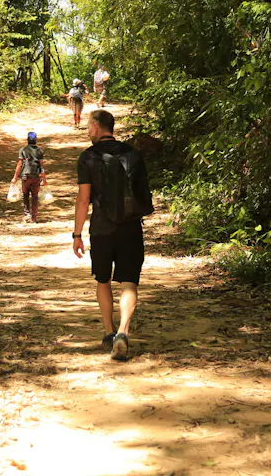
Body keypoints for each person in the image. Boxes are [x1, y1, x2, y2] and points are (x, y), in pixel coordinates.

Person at [73, 109, 153, 360]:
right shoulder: (133, 154)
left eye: (88, 127)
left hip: (102, 228)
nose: (88, 131)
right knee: (129, 281)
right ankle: (123, 331)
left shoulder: (88, 157)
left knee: (103, 280)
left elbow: (84, 200)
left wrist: (77, 234)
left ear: (96, 127)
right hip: (130, 226)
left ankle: (108, 331)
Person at [11, 131, 46, 223]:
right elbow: (41, 166)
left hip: (25, 176)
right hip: (35, 177)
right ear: (36, 140)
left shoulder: (23, 150)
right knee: (35, 196)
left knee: (25, 195)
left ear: (27, 140)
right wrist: (44, 179)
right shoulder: (39, 151)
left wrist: (15, 177)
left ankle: (27, 214)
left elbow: (19, 164)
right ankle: (34, 218)